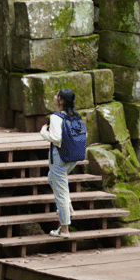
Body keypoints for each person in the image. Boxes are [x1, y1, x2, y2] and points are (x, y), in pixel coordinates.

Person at [39, 89, 80, 237]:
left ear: (61, 101)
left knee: (60, 193)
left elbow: (56, 138)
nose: (54, 97)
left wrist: (44, 132)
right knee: (52, 178)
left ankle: (64, 229)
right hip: (73, 158)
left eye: (57, 96)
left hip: (59, 158)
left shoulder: (56, 117)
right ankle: (68, 206)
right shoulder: (75, 116)